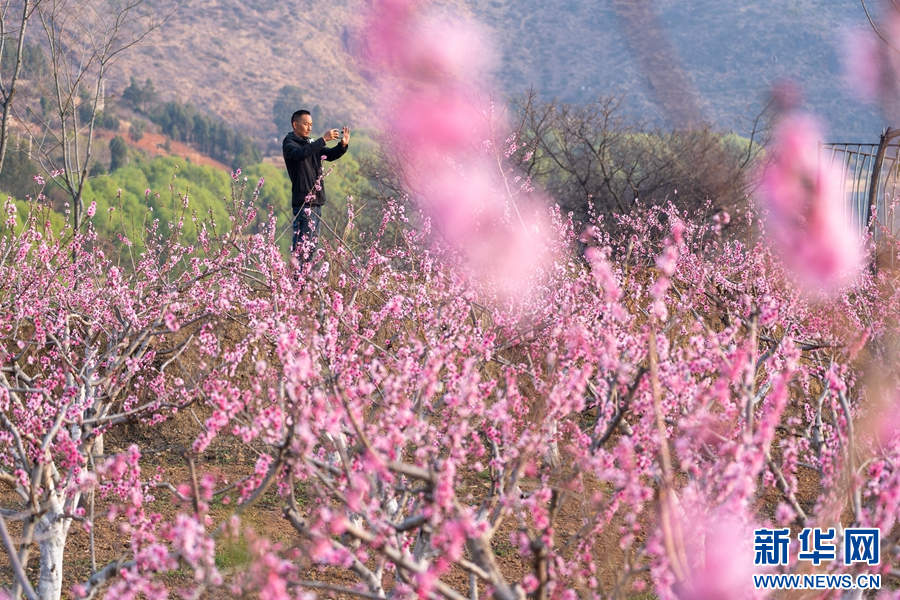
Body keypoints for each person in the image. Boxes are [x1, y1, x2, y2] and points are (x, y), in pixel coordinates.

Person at [282, 109, 350, 257]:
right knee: (302, 248)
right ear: (295, 124)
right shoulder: (289, 144)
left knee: (311, 248)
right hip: (304, 203)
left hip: (317, 203)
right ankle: (297, 279)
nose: (309, 128)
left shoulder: (311, 143)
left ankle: (304, 279)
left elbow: (329, 155)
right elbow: (300, 154)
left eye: (311, 124)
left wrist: (342, 146)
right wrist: (323, 139)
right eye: (306, 124)